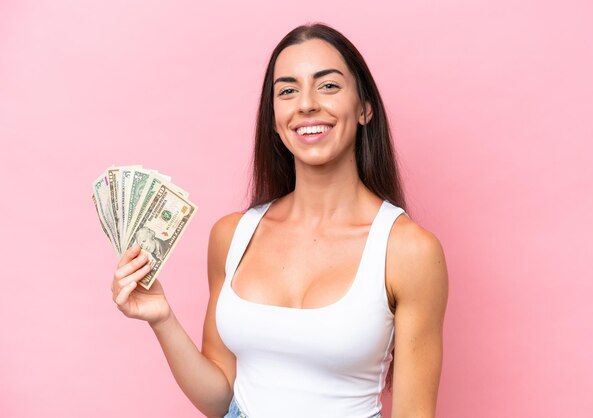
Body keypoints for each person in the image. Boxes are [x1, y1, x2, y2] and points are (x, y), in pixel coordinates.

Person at [111, 23, 448, 418]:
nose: (306, 104)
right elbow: (220, 399)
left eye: (328, 86)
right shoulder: (233, 235)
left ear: (364, 108)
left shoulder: (409, 250)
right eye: (287, 91)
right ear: (274, 118)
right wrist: (162, 318)